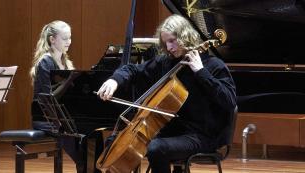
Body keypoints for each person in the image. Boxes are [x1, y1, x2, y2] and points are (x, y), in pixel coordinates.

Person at [97, 14, 237, 173]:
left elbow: (229, 100)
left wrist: (201, 72)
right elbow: (133, 70)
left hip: (202, 135)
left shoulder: (213, 66)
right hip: (172, 131)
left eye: (172, 41)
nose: (169, 47)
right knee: (113, 141)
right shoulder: (167, 62)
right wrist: (114, 80)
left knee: (157, 148)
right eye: (165, 43)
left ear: (185, 36)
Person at [29, 20, 86, 172]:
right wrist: (69, 81)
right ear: (52, 39)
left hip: (62, 118)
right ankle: (85, 165)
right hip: (47, 119)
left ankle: (88, 166)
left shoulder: (65, 62)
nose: (69, 41)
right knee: (82, 152)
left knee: (91, 137)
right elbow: (48, 98)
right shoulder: (45, 62)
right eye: (65, 38)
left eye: (70, 37)